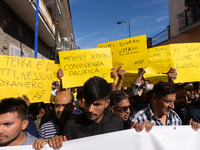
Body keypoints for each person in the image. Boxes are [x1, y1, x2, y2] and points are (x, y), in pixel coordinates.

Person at [33, 76, 124, 150]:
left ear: (107, 103)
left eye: (96, 104)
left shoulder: (116, 121)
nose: (90, 109)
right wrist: (51, 144)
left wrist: (137, 130)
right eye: (87, 102)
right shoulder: (72, 126)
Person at [130, 81, 200, 131]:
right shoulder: (137, 119)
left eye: (173, 101)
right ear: (154, 98)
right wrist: (138, 130)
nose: (172, 106)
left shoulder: (175, 118)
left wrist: (191, 129)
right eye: (168, 101)